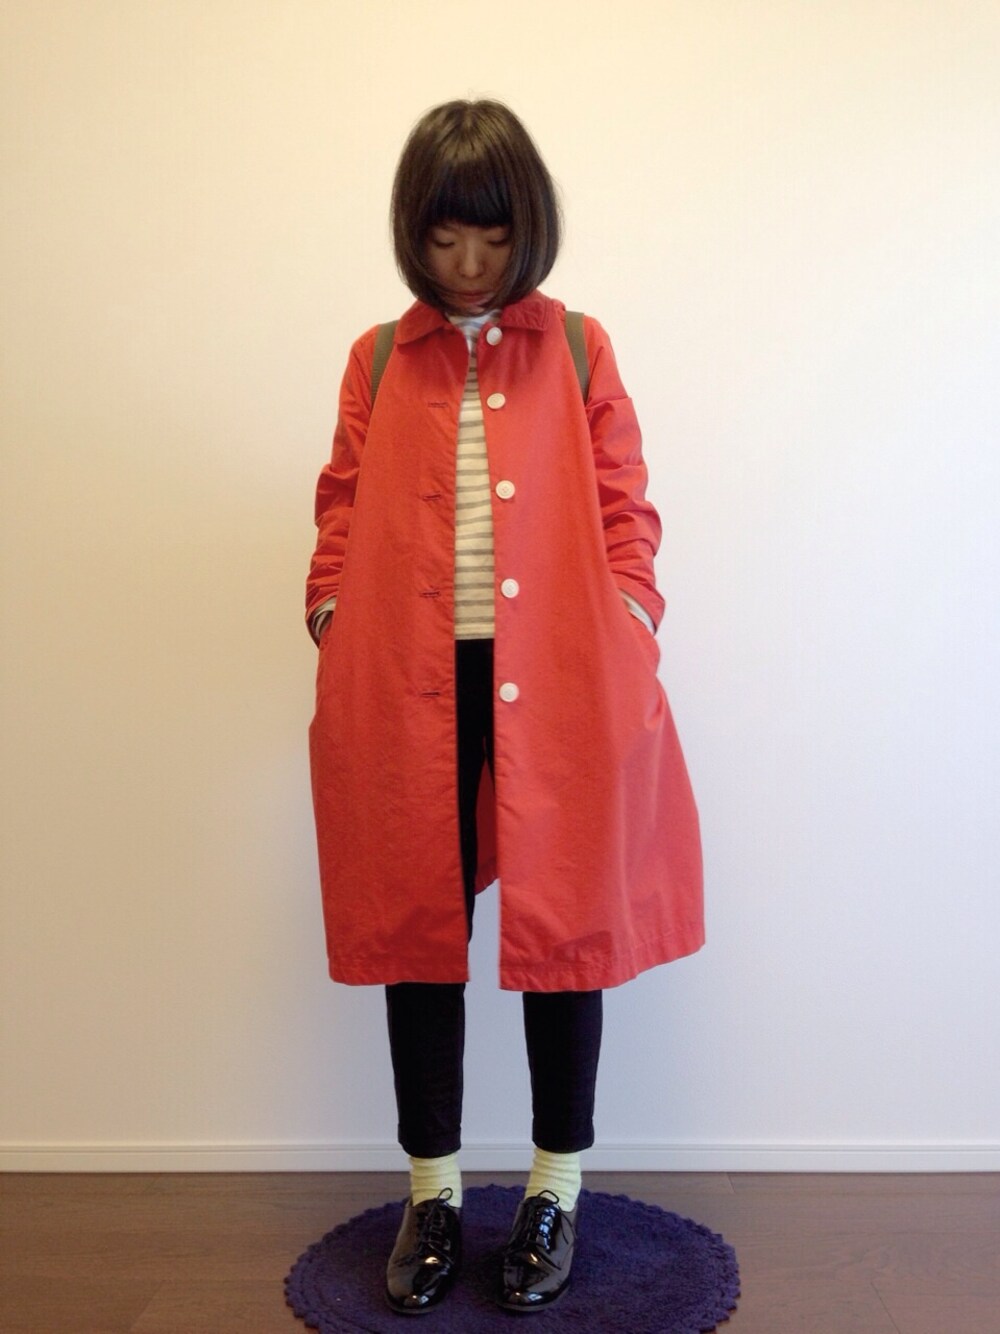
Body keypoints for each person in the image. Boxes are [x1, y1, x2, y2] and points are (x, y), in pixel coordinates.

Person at [305, 98, 703, 1316]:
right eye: (443, 239)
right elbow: (340, 502)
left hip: (564, 678)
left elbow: (624, 500)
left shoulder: (577, 346)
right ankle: (431, 1193)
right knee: (416, 934)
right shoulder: (380, 356)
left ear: (527, 228)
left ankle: (552, 1190)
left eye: (491, 237)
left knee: (563, 931)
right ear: (411, 235)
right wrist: (331, 611)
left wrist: (630, 613)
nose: (469, 264)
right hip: (407, 683)